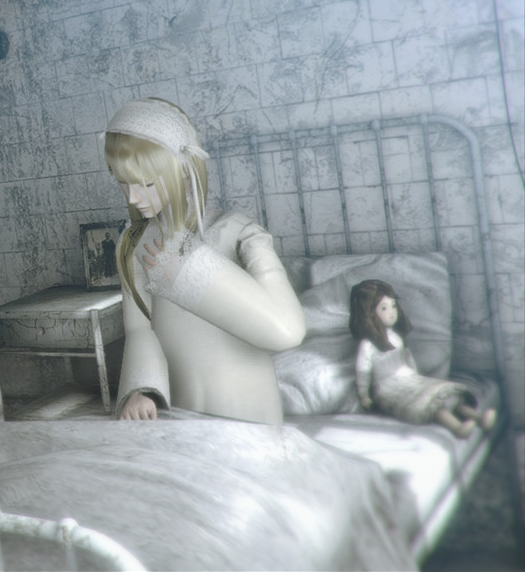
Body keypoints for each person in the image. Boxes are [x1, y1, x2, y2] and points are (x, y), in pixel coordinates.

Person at [104, 97, 306, 424]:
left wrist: (189, 276)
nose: (133, 197)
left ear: (184, 170)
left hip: (248, 410)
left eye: (147, 183)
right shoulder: (133, 243)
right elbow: (140, 329)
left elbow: (287, 331)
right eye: (123, 182)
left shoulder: (239, 232)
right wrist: (142, 389)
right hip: (178, 413)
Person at [351, 279, 494, 437]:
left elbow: (407, 360)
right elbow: (362, 371)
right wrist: (364, 396)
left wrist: (417, 378)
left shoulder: (396, 337)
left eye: (393, 306)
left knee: (444, 397)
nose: (391, 312)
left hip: (408, 379)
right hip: (388, 388)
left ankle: (478, 418)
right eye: (384, 308)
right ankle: (457, 428)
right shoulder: (368, 345)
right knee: (431, 405)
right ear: (370, 313)